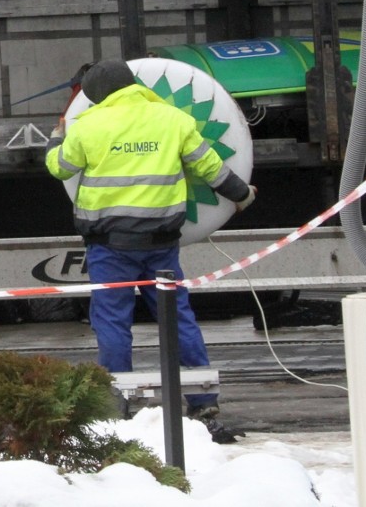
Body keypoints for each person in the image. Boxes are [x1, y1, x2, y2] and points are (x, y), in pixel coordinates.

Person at [45, 59, 256, 441]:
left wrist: (57, 136)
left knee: (112, 321)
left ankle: (115, 404)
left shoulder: (88, 126)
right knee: (176, 317)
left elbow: (59, 168)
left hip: (109, 246)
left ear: (96, 96)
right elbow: (210, 167)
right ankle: (203, 400)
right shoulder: (172, 119)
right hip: (161, 245)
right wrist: (241, 194)